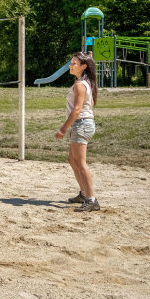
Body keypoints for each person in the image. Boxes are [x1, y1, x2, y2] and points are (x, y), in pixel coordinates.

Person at [55, 51, 100, 212]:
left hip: (82, 124)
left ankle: (91, 199)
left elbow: (77, 109)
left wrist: (63, 128)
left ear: (83, 67)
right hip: (81, 124)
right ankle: (83, 193)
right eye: (71, 62)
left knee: (80, 163)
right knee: (72, 160)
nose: (71, 65)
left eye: (74, 63)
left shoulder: (80, 85)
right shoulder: (86, 82)